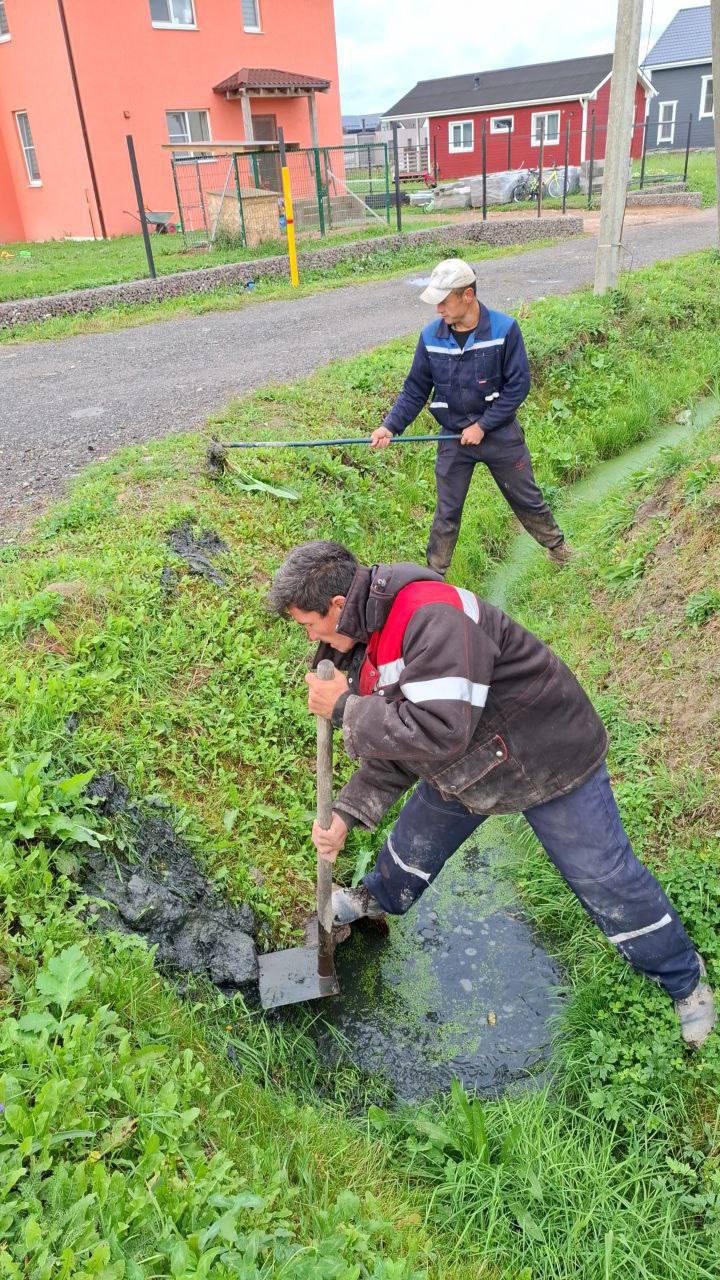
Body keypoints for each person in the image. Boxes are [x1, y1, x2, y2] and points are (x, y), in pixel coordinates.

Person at [268, 539, 715, 1049]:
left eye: (308, 624)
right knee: (412, 845)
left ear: (338, 607)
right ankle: (373, 900)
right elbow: (399, 739)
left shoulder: (432, 620)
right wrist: (347, 813)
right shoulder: (368, 640)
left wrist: (347, 708)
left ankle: (684, 979)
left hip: (545, 754)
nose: (310, 637)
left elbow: (436, 729)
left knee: (604, 877)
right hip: (469, 762)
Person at [370, 257, 570, 577]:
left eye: (444, 302)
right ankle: (435, 577)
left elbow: (518, 386)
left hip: (500, 435)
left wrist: (484, 425)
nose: (438, 310)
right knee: (446, 512)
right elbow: (415, 390)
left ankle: (559, 550)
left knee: (527, 499)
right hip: (454, 438)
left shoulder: (505, 330)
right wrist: (389, 426)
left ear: (467, 296)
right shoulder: (431, 338)